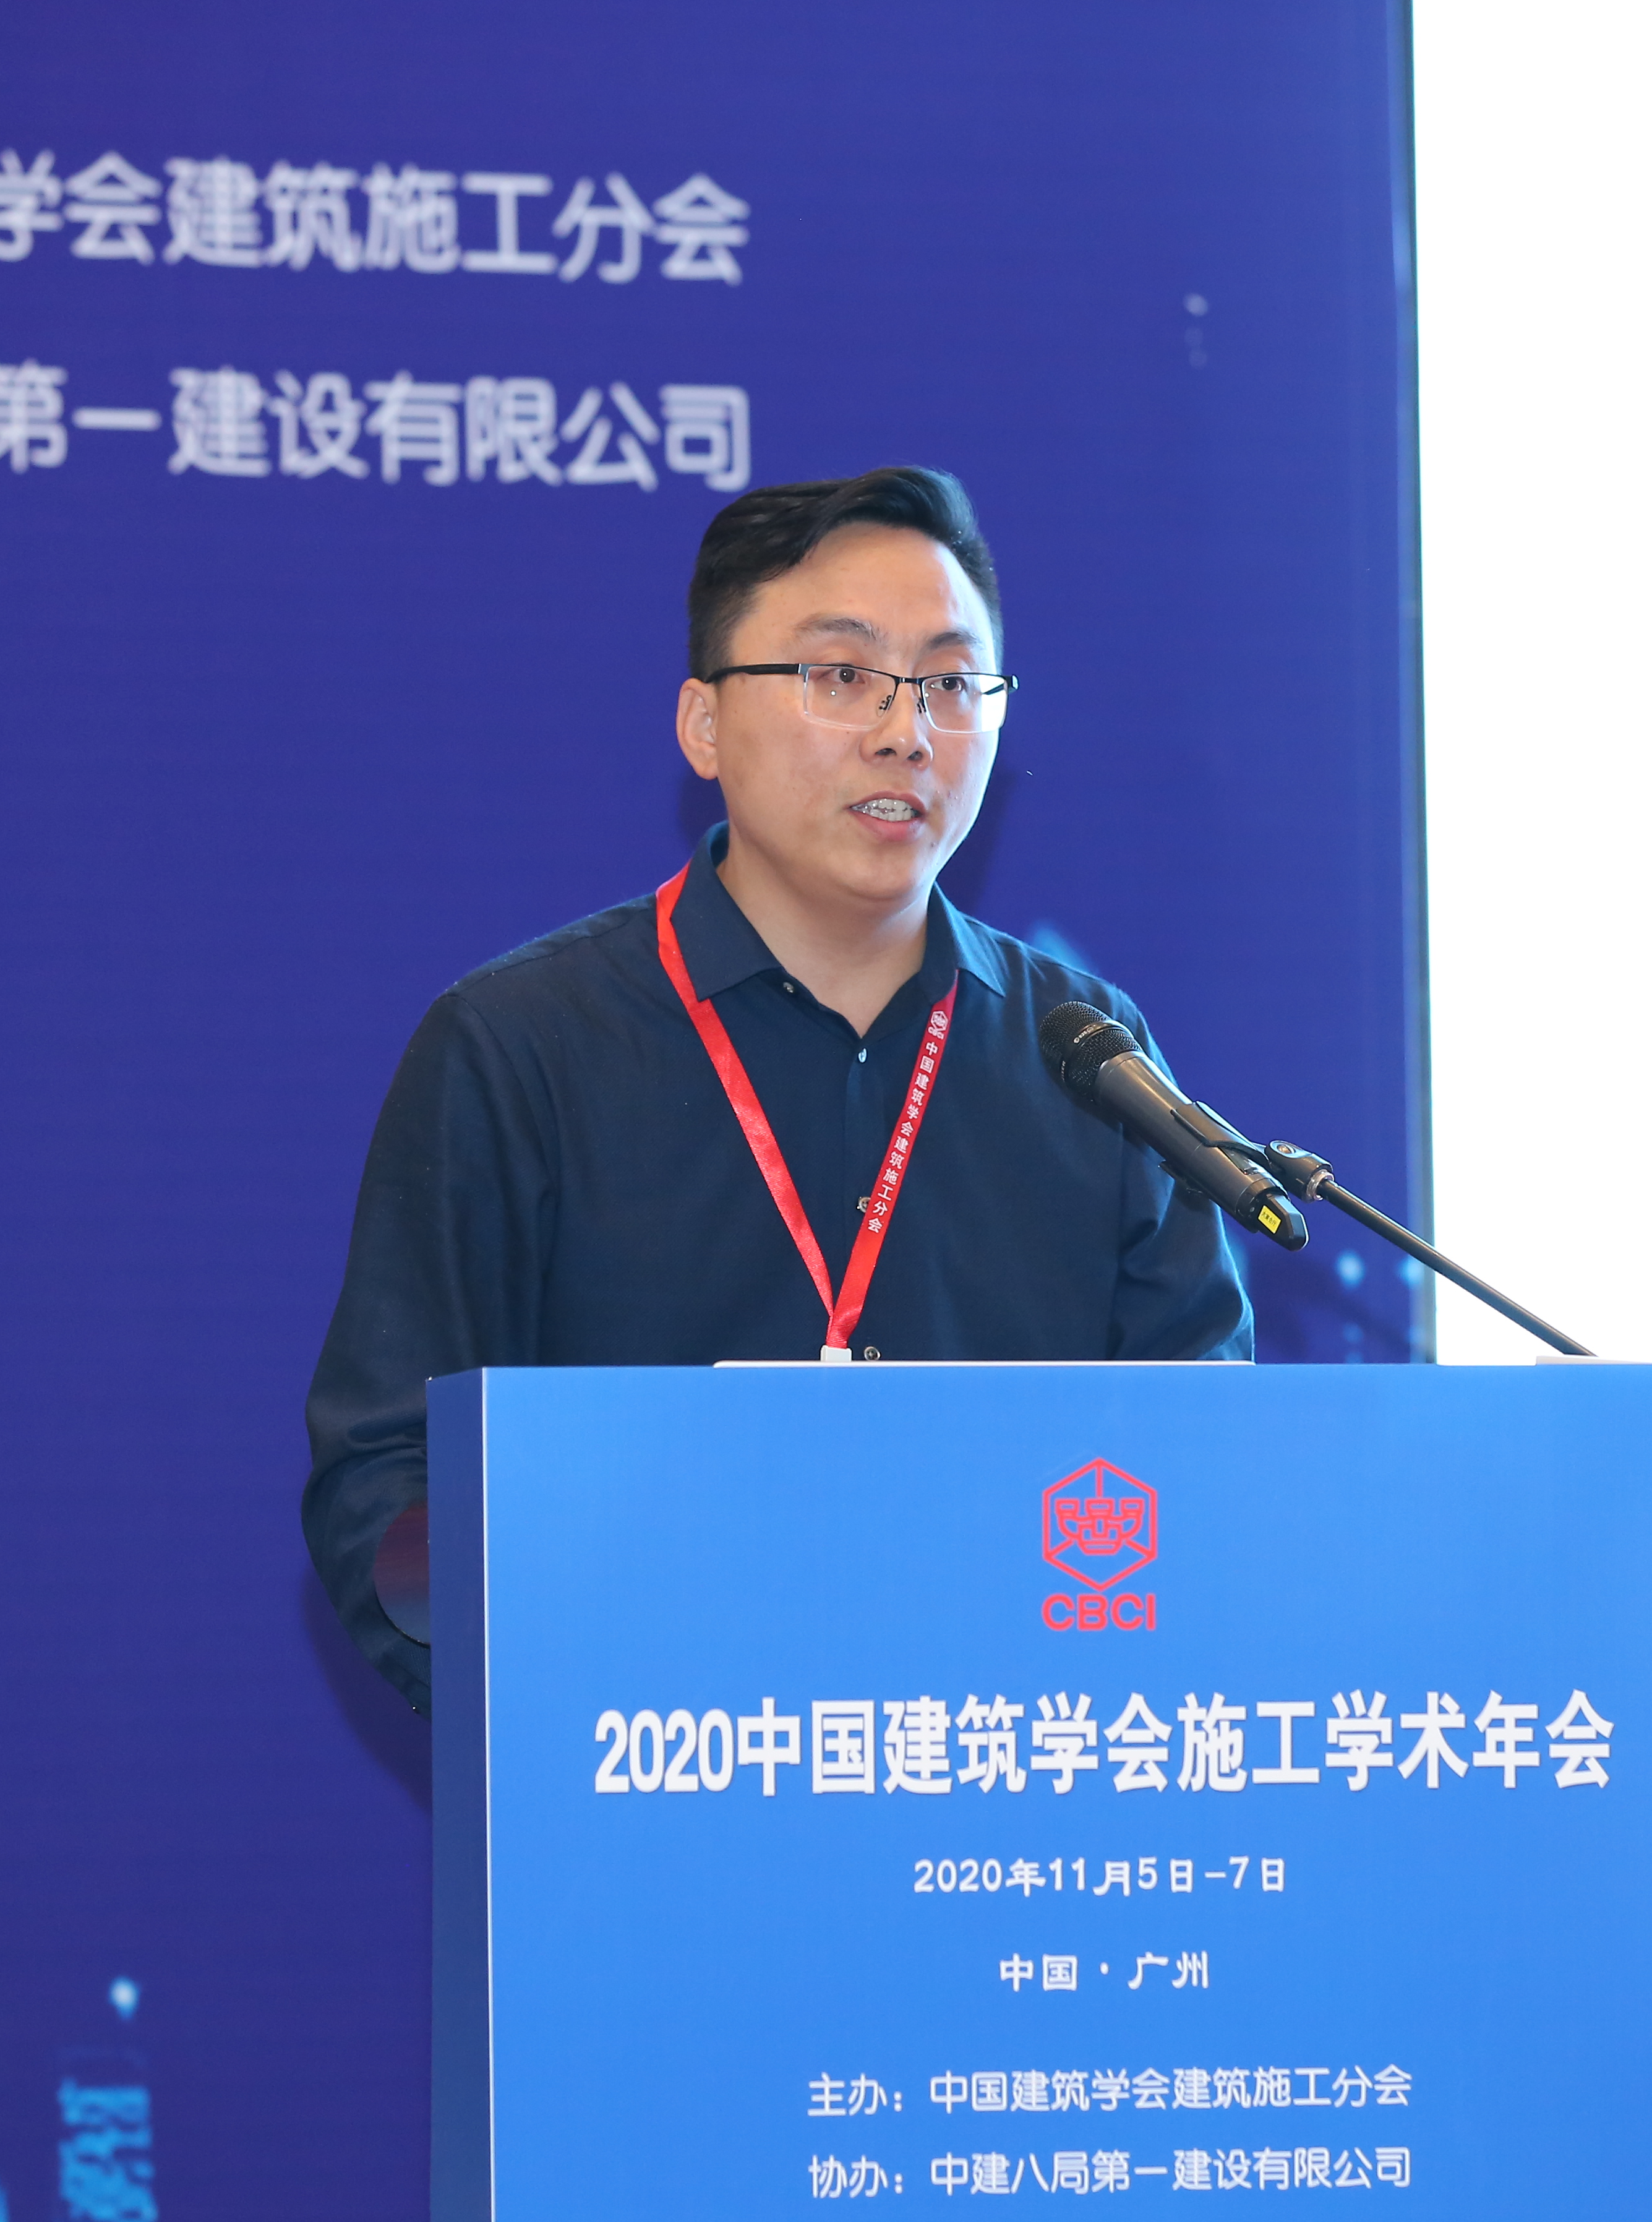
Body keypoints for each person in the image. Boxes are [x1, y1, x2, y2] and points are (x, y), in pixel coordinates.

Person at [303, 465, 1253, 1709]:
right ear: (703, 723)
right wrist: (554, 1703)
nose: (906, 732)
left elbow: (1206, 1450)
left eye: (951, 684)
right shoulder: (521, 1046)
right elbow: (389, 1479)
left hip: (1014, 1771)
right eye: (842, 675)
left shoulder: (1086, 1057)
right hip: (653, 1764)